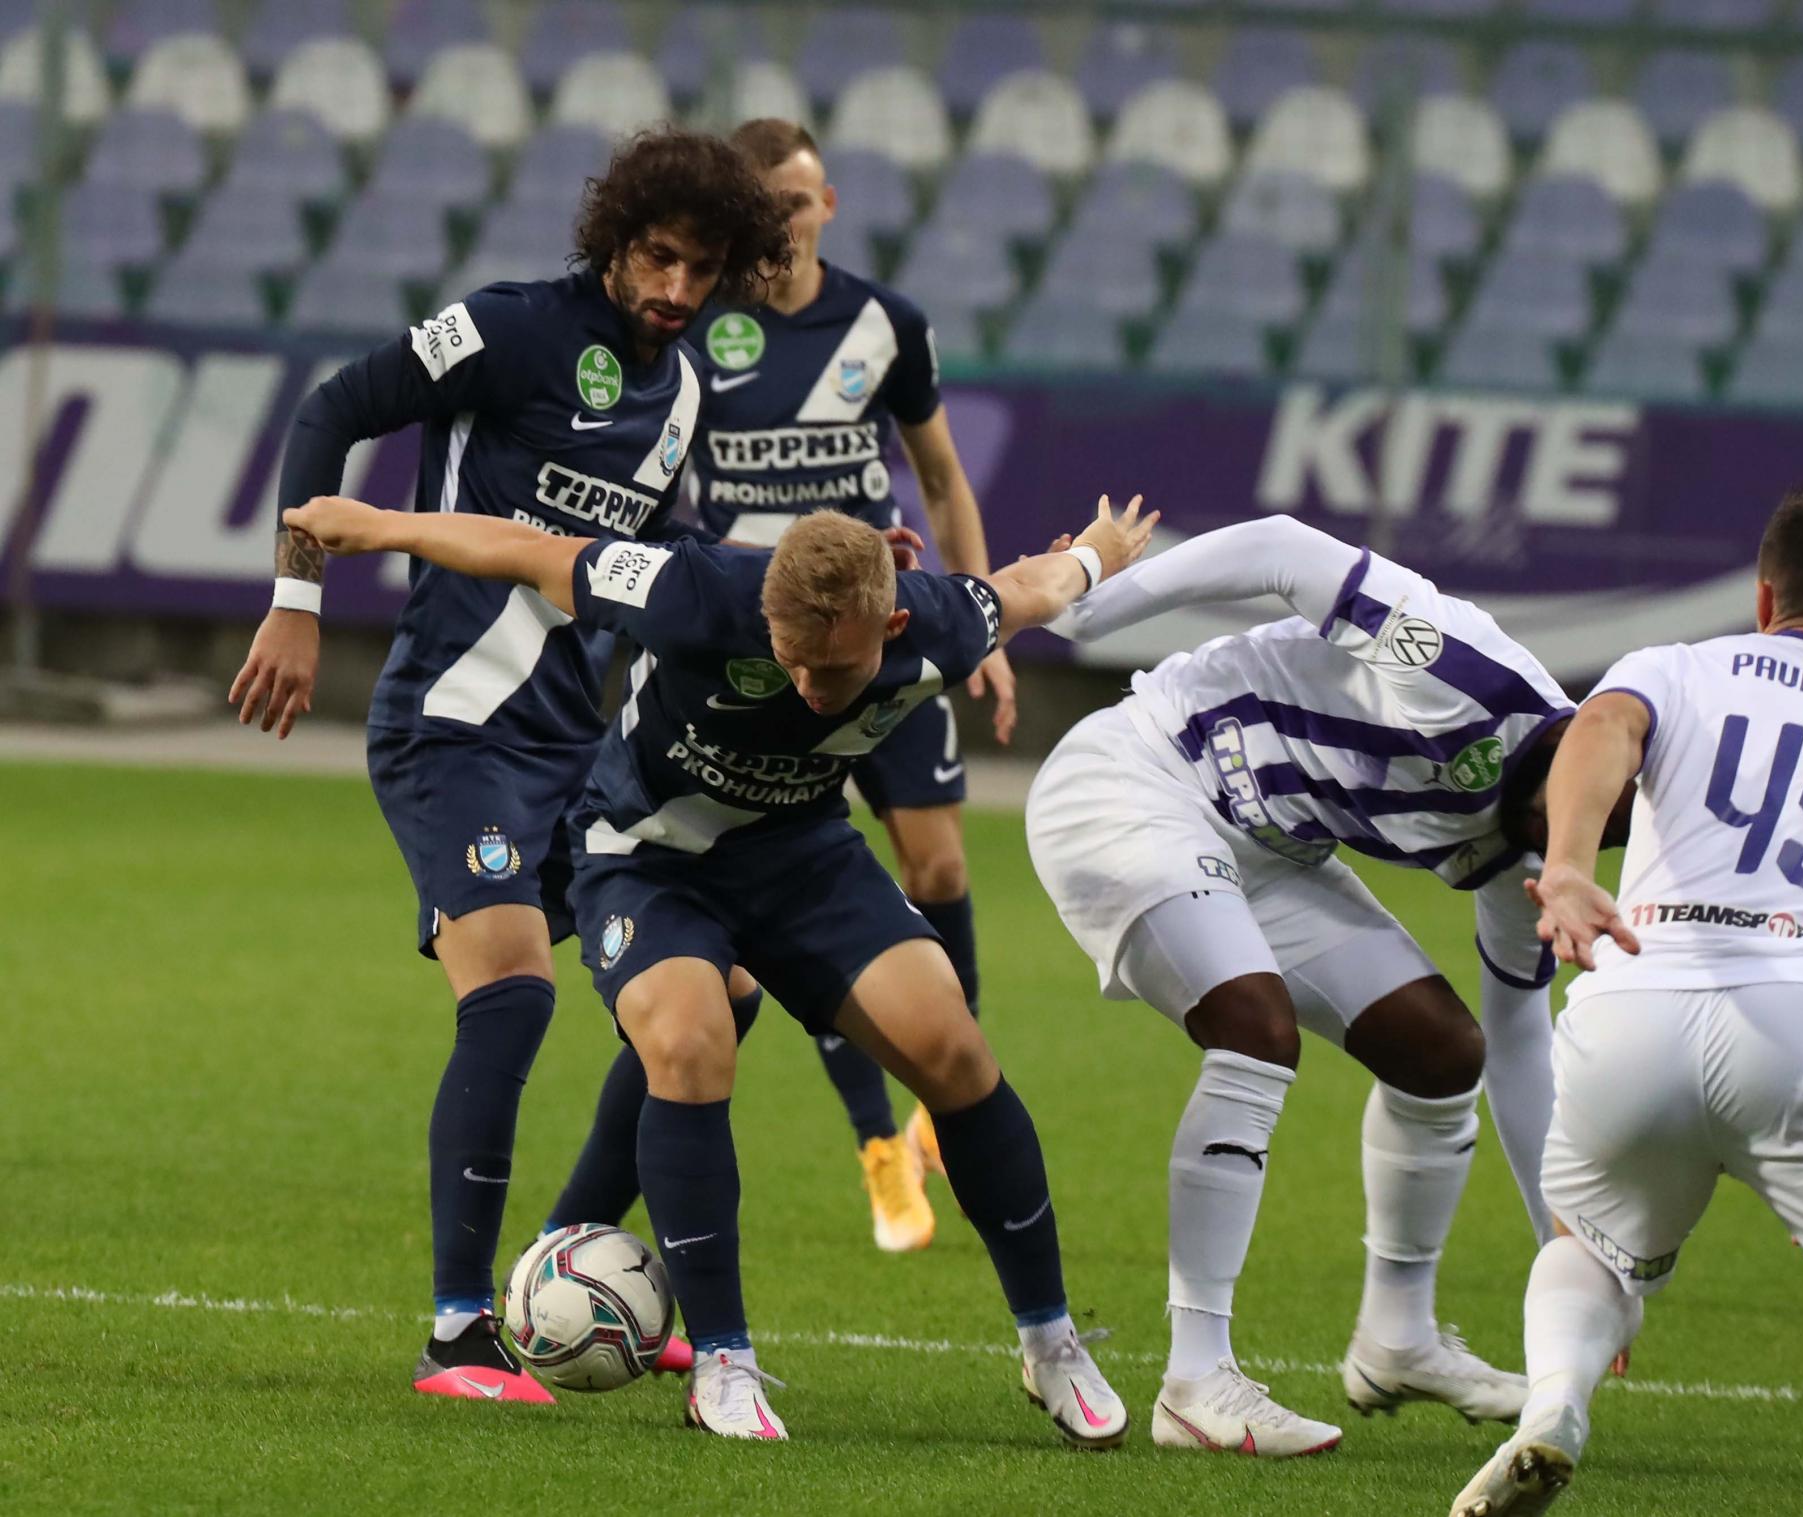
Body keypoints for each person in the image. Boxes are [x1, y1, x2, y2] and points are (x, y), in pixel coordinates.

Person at [282, 490, 1156, 1443]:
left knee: (952, 1046)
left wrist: (1104, 551)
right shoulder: (693, 589)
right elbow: (523, 549)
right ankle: (725, 1363)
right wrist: (377, 527)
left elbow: (1033, 583)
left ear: (894, 622)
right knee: (692, 1039)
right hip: (645, 858)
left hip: (803, 857)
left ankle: (1052, 1341)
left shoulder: (940, 618)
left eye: (837, 667)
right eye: (791, 659)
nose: (812, 686)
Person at [226, 128, 791, 1402]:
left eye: (706, 269)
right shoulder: (510, 328)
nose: (680, 289)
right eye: (660, 257)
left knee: (726, 989)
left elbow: (656, 566)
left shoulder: (688, 390)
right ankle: (456, 1331)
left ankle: (566, 1257)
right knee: (517, 993)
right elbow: (334, 410)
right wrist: (295, 599)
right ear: (615, 236)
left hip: (573, 744)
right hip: (453, 725)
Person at [1025, 513, 1635, 1455]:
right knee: (1254, 1024)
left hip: (1269, 849)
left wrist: (1570, 1246)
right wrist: (1095, 606)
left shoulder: (1544, 862)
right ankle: (1195, 1378)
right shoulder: (1461, 670)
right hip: (1140, 775)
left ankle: (1398, 1335)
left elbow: (1518, 1044)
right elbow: (1281, 548)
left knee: (1443, 1053)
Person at [544, 119, 1012, 1256]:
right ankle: (876, 1147)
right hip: (751, 648)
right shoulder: (700, 326)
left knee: (938, 862)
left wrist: (979, 610)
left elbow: (942, 474)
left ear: (828, 205)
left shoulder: (884, 323)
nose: (790, 220)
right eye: (773, 203)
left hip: (874, 627)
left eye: (803, 201)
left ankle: (935, 1096)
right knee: (776, 909)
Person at [1450, 485, 1803, 1517]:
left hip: (1633, 1004)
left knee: (1589, 1244)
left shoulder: (1676, 666)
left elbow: (1606, 726)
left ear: (1763, 598)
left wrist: (1570, 864)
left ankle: (1554, 1409)